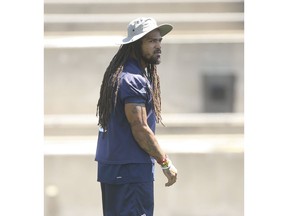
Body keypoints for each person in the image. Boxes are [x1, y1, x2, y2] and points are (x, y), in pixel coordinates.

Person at [95, 17, 178, 216]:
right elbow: (140, 128)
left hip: (113, 169)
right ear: (135, 45)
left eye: (159, 40)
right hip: (131, 173)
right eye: (151, 41)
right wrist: (165, 162)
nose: (158, 46)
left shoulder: (120, 74)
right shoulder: (133, 80)